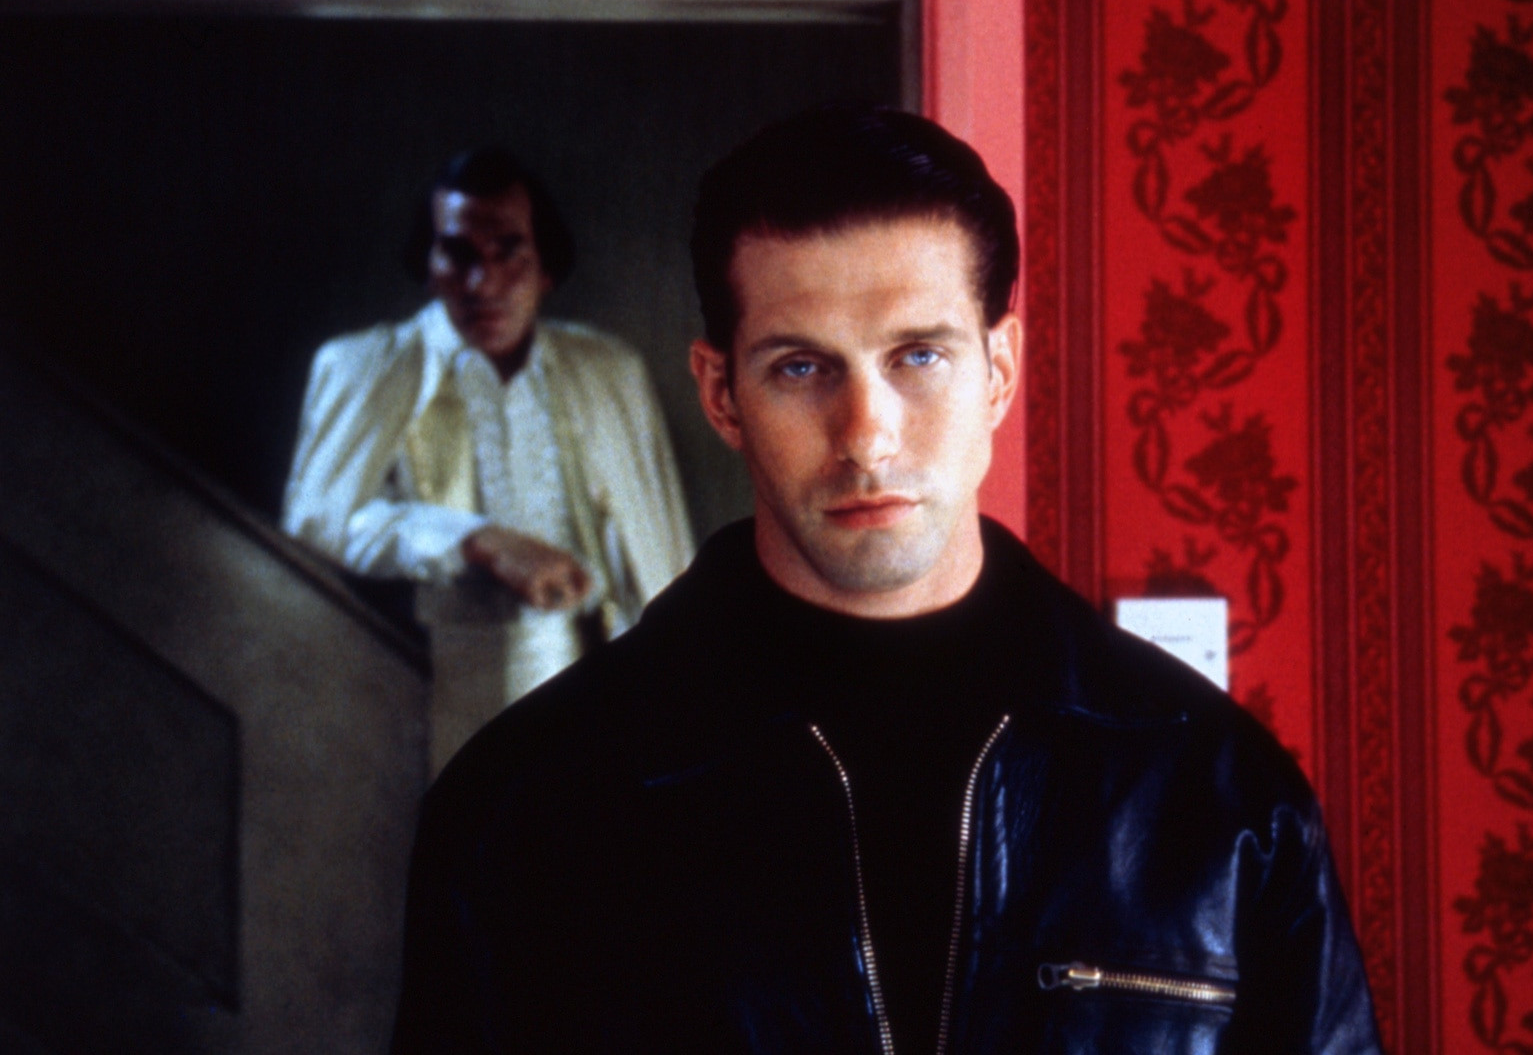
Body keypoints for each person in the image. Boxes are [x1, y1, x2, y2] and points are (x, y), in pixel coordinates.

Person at [390, 106, 1381, 1054]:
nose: (867, 437)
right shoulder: (525, 808)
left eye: (918, 357)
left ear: (999, 371)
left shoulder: (1220, 795)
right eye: (801, 368)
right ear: (721, 395)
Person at [283, 147, 694, 774]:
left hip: (604, 694)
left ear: (545, 267)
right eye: (459, 254)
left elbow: (662, 555)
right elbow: (320, 522)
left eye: (508, 251)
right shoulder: (367, 368)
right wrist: (477, 540)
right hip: (435, 688)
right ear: (429, 264)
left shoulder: (608, 371)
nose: (483, 283)